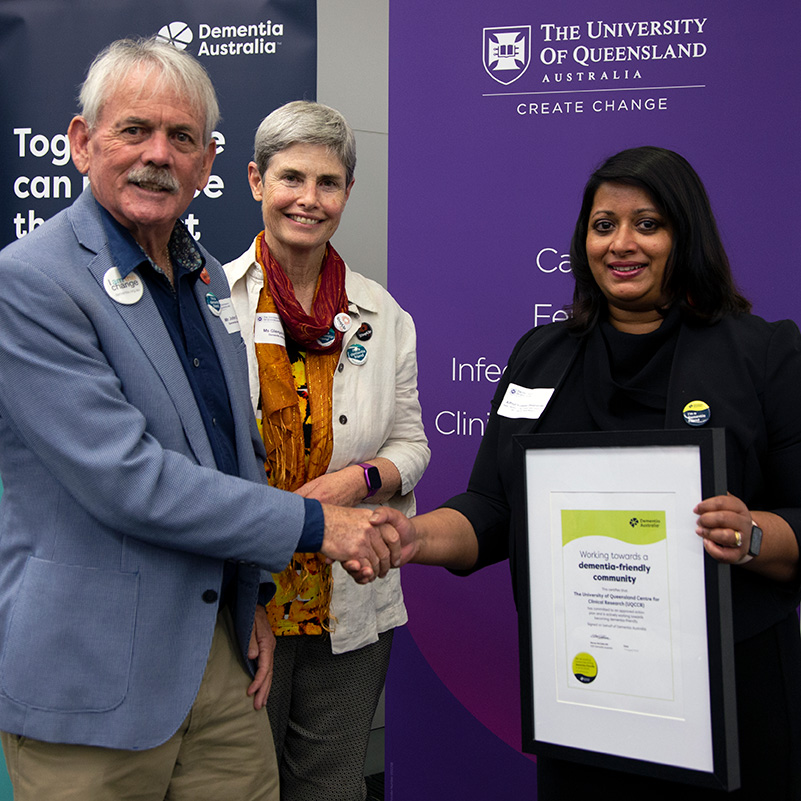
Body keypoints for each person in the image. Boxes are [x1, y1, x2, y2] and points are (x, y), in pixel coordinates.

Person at [0, 38, 403, 801]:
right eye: (134, 130)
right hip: (92, 679)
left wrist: (247, 589)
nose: (158, 155)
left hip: (219, 660)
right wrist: (319, 526)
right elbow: (129, 478)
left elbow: (232, 448)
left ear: (208, 163)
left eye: (181, 138)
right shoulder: (29, 281)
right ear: (83, 143)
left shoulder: (208, 279)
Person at [378, 146, 801, 799]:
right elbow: (491, 508)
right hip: (586, 698)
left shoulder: (762, 353)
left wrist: (749, 533)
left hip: (731, 702)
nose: (620, 243)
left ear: (684, 235)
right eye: (603, 224)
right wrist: (410, 537)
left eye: (647, 223)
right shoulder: (540, 356)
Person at [223, 100, 429, 801]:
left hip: (352, 598)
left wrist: (358, 479)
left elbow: (413, 444)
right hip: (242, 599)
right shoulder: (209, 305)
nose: (308, 199)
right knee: (244, 785)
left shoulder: (381, 312)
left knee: (331, 785)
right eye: (291, 178)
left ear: (346, 193)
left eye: (328, 182)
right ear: (255, 181)